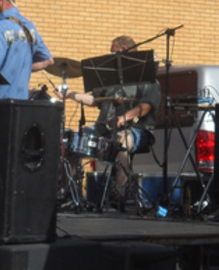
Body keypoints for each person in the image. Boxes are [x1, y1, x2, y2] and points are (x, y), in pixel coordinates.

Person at [58, 35, 160, 199]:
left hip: (137, 129)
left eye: (112, 51)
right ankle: (70, 193)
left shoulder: (146, 78)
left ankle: (119, 195)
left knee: (121, 144)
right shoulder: (111, 78)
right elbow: (95, 99)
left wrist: (123, 118)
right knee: (71, 140)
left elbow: (146, 106)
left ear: (123, 50)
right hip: (104, 128)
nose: (110, 55)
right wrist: (70, 94)